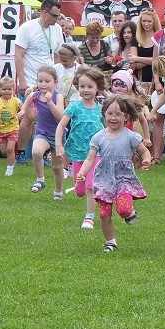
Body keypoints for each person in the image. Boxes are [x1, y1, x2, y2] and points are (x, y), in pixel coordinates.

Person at [76, 94, 152, 252]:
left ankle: (129, 212)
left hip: (124, 178)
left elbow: (144, 151)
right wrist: (82, 173)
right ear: (104, 115)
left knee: (123, 209)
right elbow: (90, 159)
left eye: (118, 114)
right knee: (104, 214)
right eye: (110, 113)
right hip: (104, 179)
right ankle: (111, 242)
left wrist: (146, 159)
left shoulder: (131, 136)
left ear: (126, 117)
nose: (114, 117)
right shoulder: (98, 137)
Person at [55, 67, 106, 228]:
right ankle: (77, 180)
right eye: (82, 86)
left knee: (91, 185)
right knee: (80, 191)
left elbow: (108, 129)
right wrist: (59, 146)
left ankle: (89, 217)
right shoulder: (74, 107)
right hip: (77, 152)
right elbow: (61, 126)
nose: (86, 90)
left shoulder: (102, 109)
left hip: (96, 153)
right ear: (77, 87)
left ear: (97, 87)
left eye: (90, 86)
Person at [23, 67, 65, 198]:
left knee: (57, 168)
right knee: (36, 151)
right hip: (42, 133)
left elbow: (60, 116)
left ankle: (58, 192)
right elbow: (28, 99)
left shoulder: (58, 96)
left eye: (47, 81)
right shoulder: (35, 95)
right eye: (40, 81)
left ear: (55, 82)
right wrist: (23, 111)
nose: (43, 84)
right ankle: (40, 180)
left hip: (57, 135)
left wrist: (49, 102)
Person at [14, 0, 63, 96]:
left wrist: (58, 79)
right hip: (30, 82)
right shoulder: (27, 28)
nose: (56, 18)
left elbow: (57, 56)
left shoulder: (57, 28)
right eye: (54, 15)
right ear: (45, 12)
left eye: (58, 16)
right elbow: (18, 55)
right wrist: (22, 81)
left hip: (49, 84)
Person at [0, 76, 21, 176]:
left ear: (13, 89)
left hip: (13, 128)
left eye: (9, 89)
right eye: (4, 89)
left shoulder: (16, 101)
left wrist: (21, 114)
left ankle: (9, 169)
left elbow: (23, 108)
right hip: (1, 130)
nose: (7, 91)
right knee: (4, 151)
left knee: (10, 149)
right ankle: (12, 160)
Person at [130, 9, 159, 86]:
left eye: (149, 21)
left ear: (154, 22)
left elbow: (160, 62)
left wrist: (137, 58)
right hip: (139, 81)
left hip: (158, 80)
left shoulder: (160, 39)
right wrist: (152, 60)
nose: (146, 24)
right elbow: (133, 65)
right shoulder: (135, 39)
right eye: (144, 21)